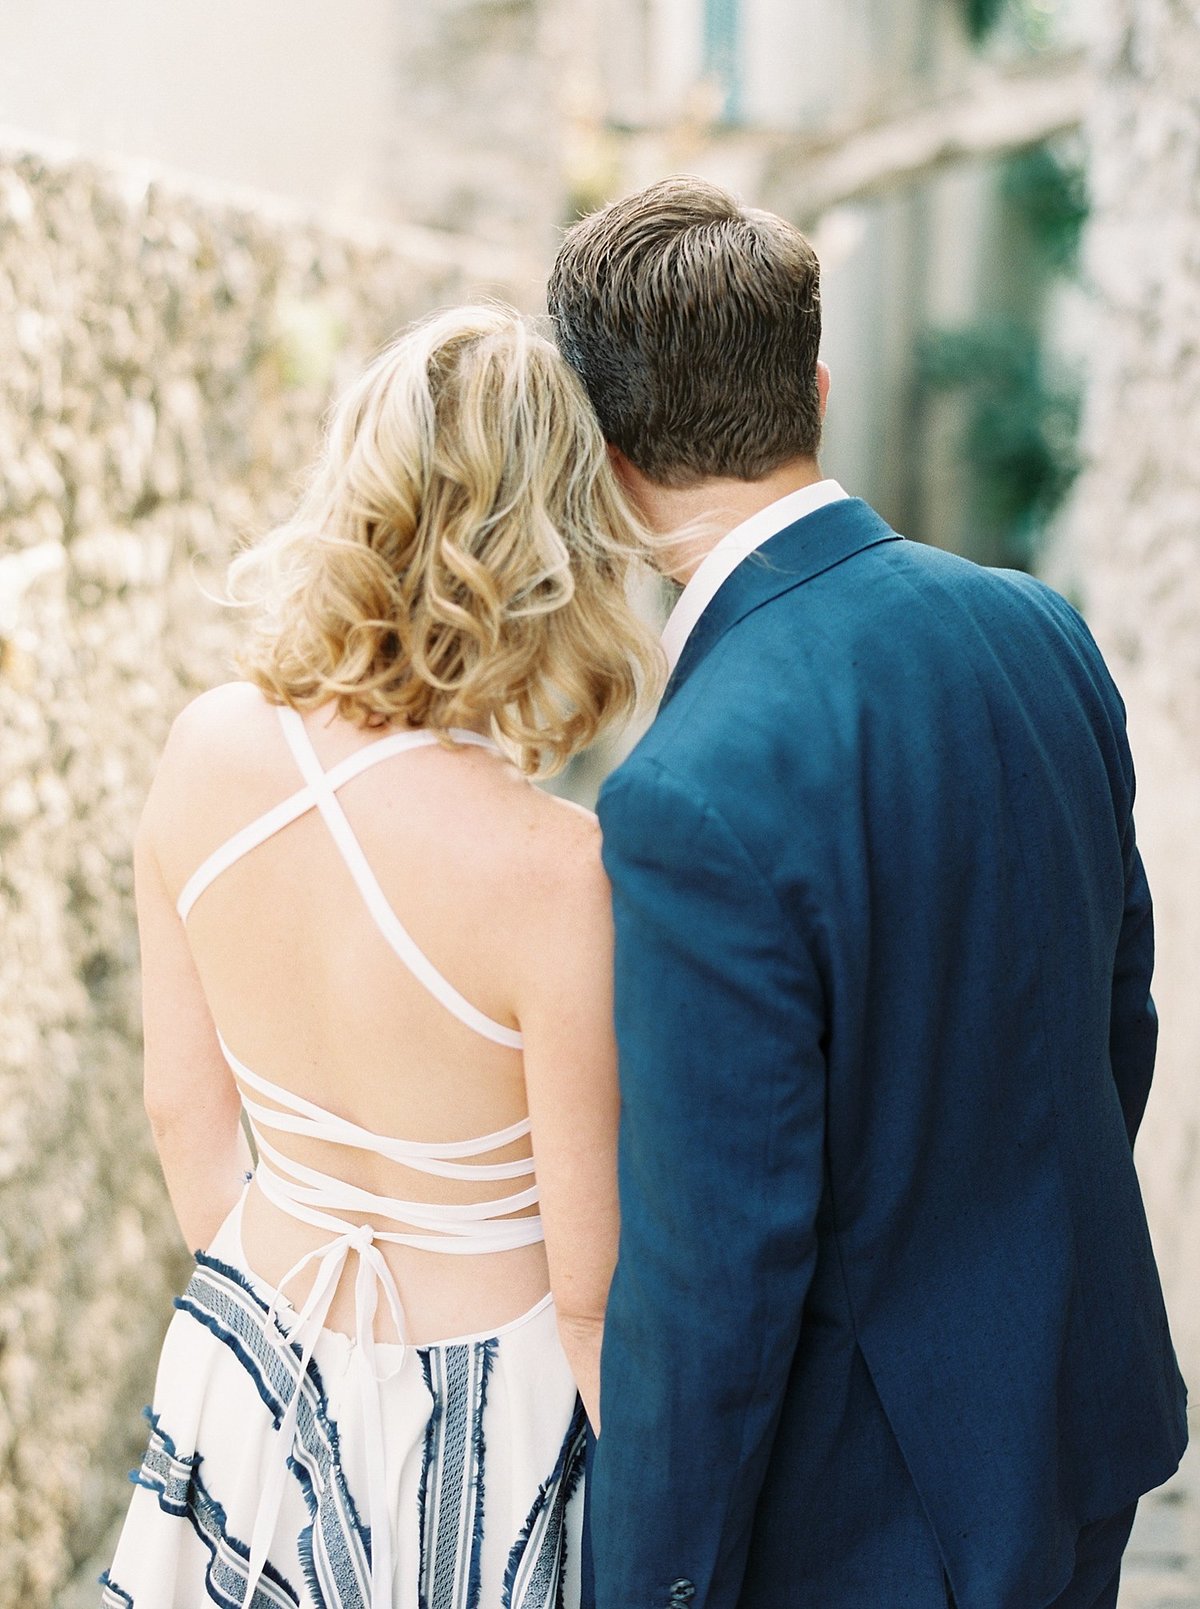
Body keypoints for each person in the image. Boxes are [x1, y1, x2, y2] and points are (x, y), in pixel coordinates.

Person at [548, 177, 1189, 1609]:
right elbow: (1116, 1020)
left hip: (873, 1526)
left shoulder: (683, 791)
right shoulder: (1039, 630)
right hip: (1082, 1423)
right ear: (818, 394)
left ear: (602, 459)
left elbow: (716, 1276)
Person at [101, 305, 661, 1609]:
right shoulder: (554, 869)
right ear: (559, 549)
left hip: (255, 1361)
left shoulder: (204, 752)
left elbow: (186, 1114)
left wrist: (270, 1343)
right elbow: (591, 1288)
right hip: (494, 1415)